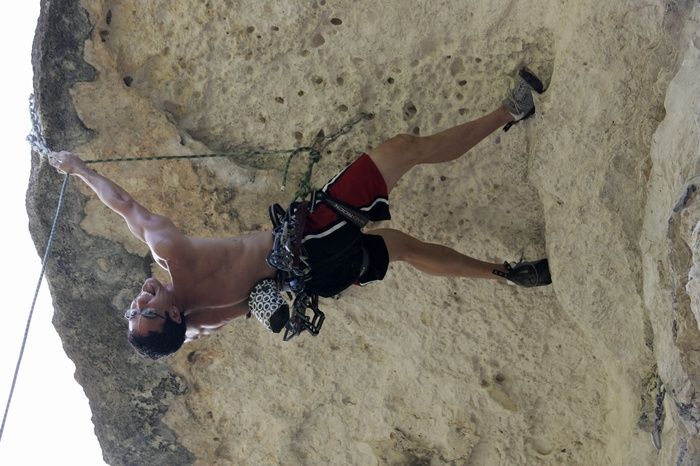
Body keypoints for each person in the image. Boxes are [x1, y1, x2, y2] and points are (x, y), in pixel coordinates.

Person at [47, 67, 551, 359]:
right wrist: (78, 169)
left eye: (132, 311)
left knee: (403, 249)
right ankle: (511, 110)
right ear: (172, 315)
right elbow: (126, 208)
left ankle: (507, 273)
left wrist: (261, 309)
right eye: (147, 311)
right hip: (310, 240)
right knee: (401, 150)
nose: (138, 301)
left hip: (317, 281)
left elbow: (228, 319)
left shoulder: (197, 324)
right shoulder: (172, 254)